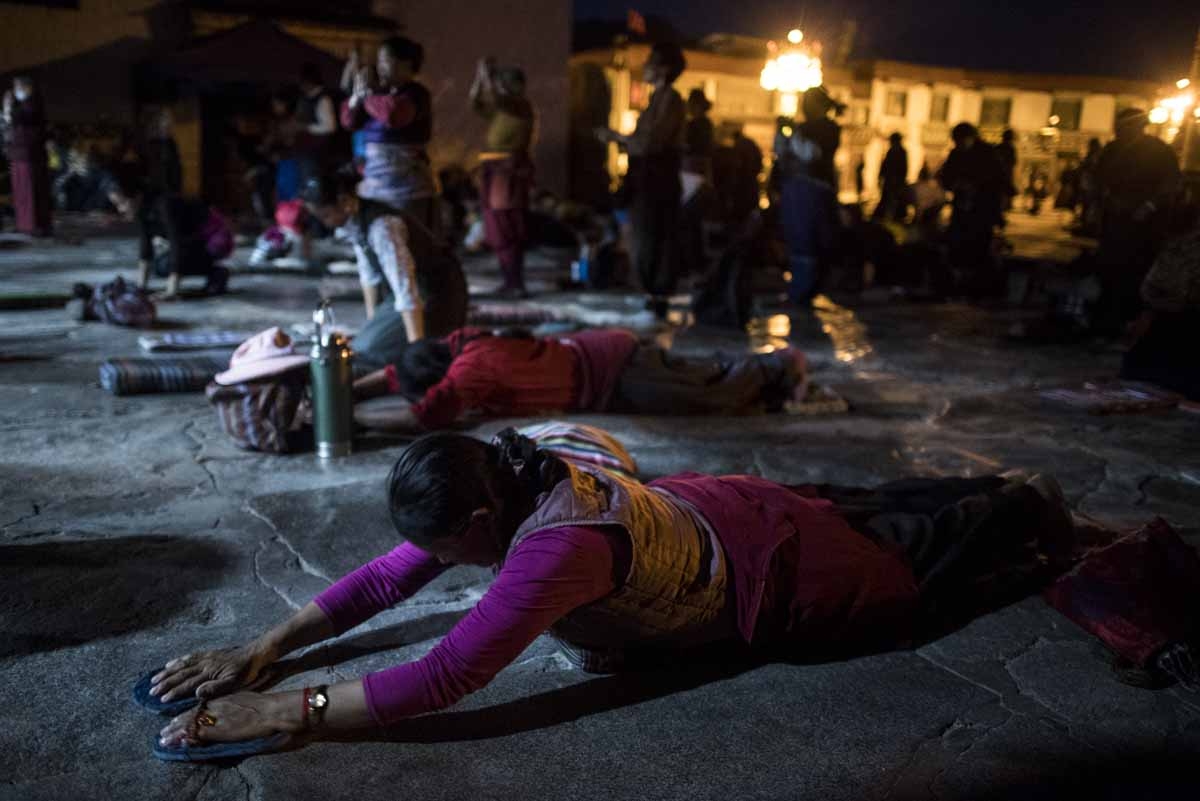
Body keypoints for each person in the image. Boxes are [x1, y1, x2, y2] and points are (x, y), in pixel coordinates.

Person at [149, 424, 1074, 753]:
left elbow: (445, 677)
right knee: (874, 510)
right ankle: (990, 497)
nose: (427, 560)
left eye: (444, 549)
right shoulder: (501, 470)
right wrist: (265, 646)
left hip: (772, 571)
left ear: (476, 525)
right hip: (715, 508)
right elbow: (391, 577)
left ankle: (1030, 504)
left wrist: (289, 710)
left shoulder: (552, 549)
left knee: (928, 573)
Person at [351, 326, 811, 430]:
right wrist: (350, 390)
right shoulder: (462, 344)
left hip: (610, 371)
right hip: (606, 355)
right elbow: (399, 373)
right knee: (696, 372)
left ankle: (783, 364)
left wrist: (355, 422)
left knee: (704, 393)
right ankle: (773, 370)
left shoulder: (467, 370)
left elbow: (425, 413)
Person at [303, 170, 466, 344]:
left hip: (437, 293)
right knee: (365, 344)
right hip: (414, 292)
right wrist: (373, 324)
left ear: (344, 202)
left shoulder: (383, 227)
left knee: (369, 350)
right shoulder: (356, 221)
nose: (324, 223)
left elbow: (405, 286)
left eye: (326, 215)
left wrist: (417, 348)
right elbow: (369, 277)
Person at [595, 42, 687, 319]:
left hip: (658, 180)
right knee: (646, 236)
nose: (646, 67)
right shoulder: (658, 99)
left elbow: (651, 142)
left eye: (651, 63)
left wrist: (618, 138)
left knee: (654, 238)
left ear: (664, 69)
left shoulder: (670, 99)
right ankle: (652, 295)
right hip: (648, 178)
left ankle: (657, 295)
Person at [1092, 108, 1181, 335]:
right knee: (1110, 268)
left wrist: (1148, 206)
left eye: (1125, 127)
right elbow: (1099, 180)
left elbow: (1169, 184)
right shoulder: (1112, 150)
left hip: (1146, 225)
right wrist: (1105, 201)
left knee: (1138, 270)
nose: (1120, 131)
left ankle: (1133, 318)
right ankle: (1108, 317)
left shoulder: (1159, 151)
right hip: (1116, 220)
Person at [340, 36, 437, 229]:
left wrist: (368, 94)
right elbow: (349, 121)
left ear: (406, 63)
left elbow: (393, 115)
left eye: (385, 60)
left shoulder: (416, 94)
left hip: (407, 189)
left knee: (410, 244)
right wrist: (357, 97)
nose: (379, 66)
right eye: (379, 60)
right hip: (375, 187)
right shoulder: (379, 95)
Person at [470, 58, 536, 298]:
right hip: (494, 170)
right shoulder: (504, 107)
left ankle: (515, 282)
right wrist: (480, 77)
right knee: (495, 226)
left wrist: (487, 77)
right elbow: (477, 104)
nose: (500, 88)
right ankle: (509, 281)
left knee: (506, 223)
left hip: (508, 171)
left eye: (504, 84)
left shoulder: (520, 106)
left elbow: (498, 100)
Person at [773, 117, 838, 304]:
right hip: (800, 207)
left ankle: (802, 293)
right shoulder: (807, 187)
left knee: (806, 251)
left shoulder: (800, 185)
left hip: (805, 213)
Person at [938, 122, 1006, 297]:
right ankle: (958, 282)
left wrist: (976, 189)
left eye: (961, 141)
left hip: (982, 209)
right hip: (962, 208)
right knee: (957, 245)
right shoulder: (956, 154)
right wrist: (956, 185)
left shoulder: (988, 154)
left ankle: (977, 286)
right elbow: (945, 176)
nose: (959, 145)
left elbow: (997, 182)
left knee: (979, 247)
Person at [137, 194, 232, 299]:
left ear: (136, 197)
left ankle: (216, 271)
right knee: (159, 267)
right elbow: (145, 249)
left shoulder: (164, 205)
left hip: (215, 239)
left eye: (122, 203)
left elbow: (177, 244)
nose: (120, 209)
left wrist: (171, 291)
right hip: (193, 240)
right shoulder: (143, 212)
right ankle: (205, 265)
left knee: (167, 264)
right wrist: (141, 288)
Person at [1, 76, 52, 236]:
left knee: (32, 190)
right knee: (21, 191)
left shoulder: (33, 103)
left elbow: (21, 118)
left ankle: (36, 225)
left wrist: (8, 107)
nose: (17, 91)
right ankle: (24, 224)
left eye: (18, 88)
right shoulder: (23, 104)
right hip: (19, 153)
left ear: (27, 88)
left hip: (30, 154)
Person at [293, 62, 337, 186]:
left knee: (314, 187)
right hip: (307, 153)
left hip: (317, 154)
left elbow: (330, 126)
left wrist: (306, 127)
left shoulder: (323, 99)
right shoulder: (306, 98)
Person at [798, 86, 842, 190]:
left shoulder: (827, 129)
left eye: (807, 103)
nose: (803, 107)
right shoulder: (832, 128)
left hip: (815, 185)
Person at [875, 132, 909, 222]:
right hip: (891, 180)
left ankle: (897, 216)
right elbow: (885, 165)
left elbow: (903, 168)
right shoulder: (893, 151)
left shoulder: (901, 152)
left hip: (895, 180)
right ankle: (882, 215)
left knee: (896, 198)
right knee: (887, 198)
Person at [995, 128, 1017, 212]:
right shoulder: (1011, 148)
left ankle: (1001, 207)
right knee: (1005, 190)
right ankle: (1005, 207)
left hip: (998, 173)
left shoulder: (998, 147)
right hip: (1007, 173)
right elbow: (1014, 161)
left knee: (1000, 191)